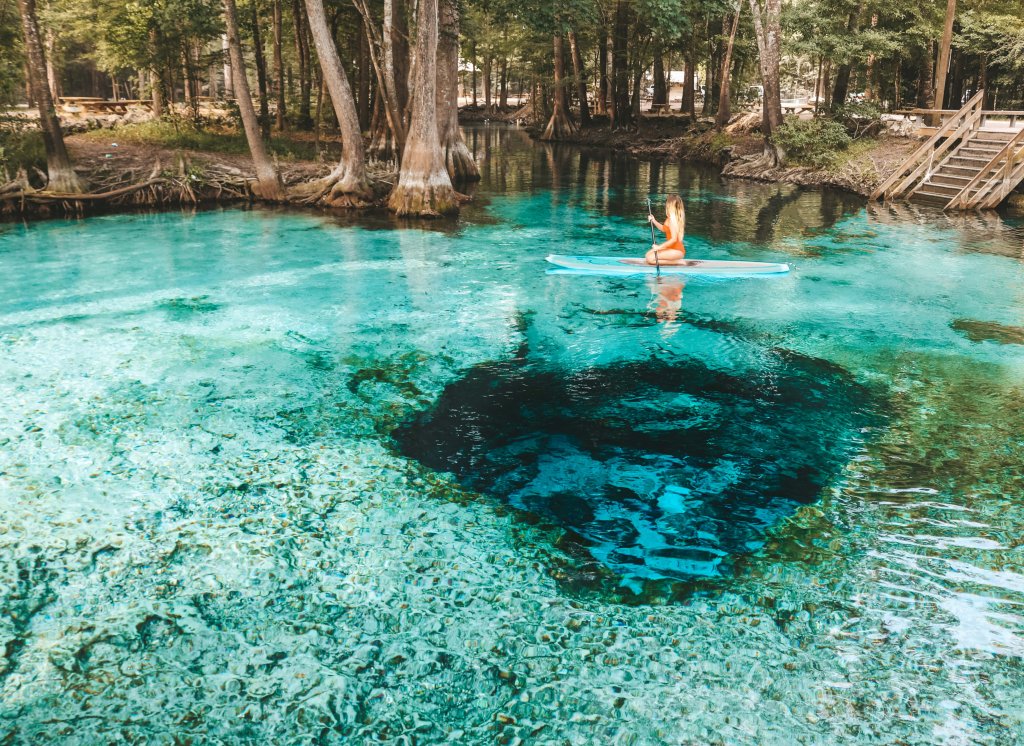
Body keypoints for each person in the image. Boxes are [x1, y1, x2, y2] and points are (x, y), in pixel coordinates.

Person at [646, 194, 687, 265]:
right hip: (671, 248)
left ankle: (678, 262)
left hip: (677, 251)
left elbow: (674, 239)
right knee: (648, 255)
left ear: (669, 205)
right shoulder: (670, 218)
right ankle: (674, 261)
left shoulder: (672, 220)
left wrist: (659, 247)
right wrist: (654, 220)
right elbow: (663, 229)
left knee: (650, 259)